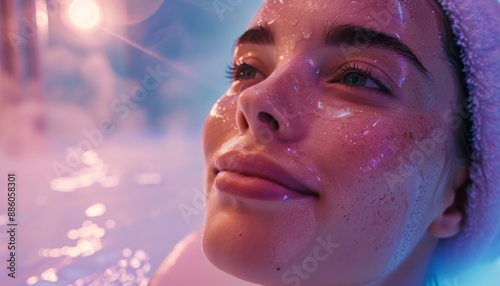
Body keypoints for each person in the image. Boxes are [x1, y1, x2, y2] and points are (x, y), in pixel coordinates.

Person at [150, 0, 500, 285]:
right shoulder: (183, 274)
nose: (255, 99)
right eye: (247, 69)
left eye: (357, 77)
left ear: (460, 196)